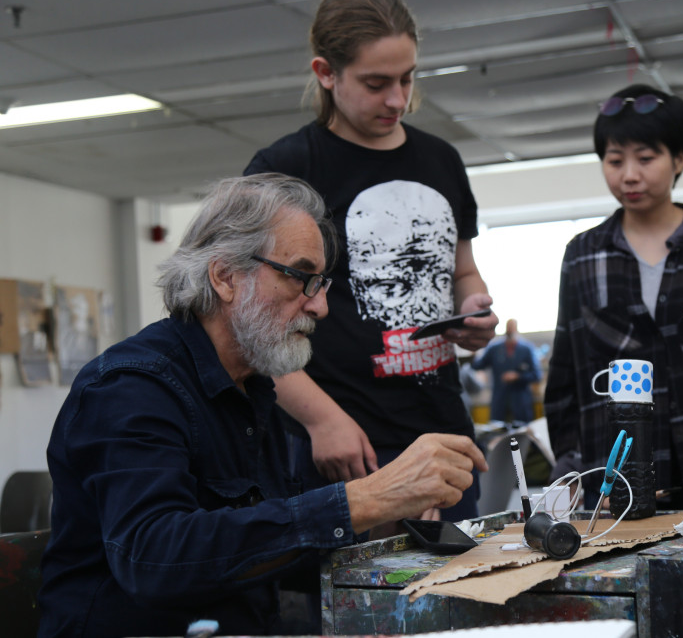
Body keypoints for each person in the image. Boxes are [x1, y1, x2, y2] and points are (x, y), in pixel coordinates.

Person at [37, 174, 487, 638]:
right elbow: (155, 559)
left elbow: (263, 549)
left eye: (323, 283)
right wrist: (365, 499)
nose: (320, 308)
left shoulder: (253, 390)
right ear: (225, 277)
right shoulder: (129, 387)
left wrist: (384, 521)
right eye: (301, 277)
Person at [243, 0, 497, 520]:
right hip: (343, 444)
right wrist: (319, 420)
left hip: (441, 431)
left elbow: (463, 272)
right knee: (356, 604)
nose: (398, 100)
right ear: (326, 73)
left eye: (407, 79)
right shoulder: (287, 170)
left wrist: (473, 310)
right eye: (377, 83)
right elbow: (252, 324)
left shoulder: (440, 159)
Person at [544, 83, 683, 509]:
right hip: (619, 486)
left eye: (646, 159)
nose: (629, 174)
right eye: (614, 161)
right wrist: (570, 467)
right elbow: (565, 376)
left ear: (679, 158)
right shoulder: (583, 255)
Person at [472, 318, 542, 427]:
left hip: (521, 401)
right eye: (508, 327)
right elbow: (477, 365)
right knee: (497, 433)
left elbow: (537, 375)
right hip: (500, 400)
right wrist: (474, 348)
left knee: (523, 434)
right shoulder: (494, 349)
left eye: (512, 327)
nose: (509, 330)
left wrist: (518, 376)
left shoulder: (527, 349)